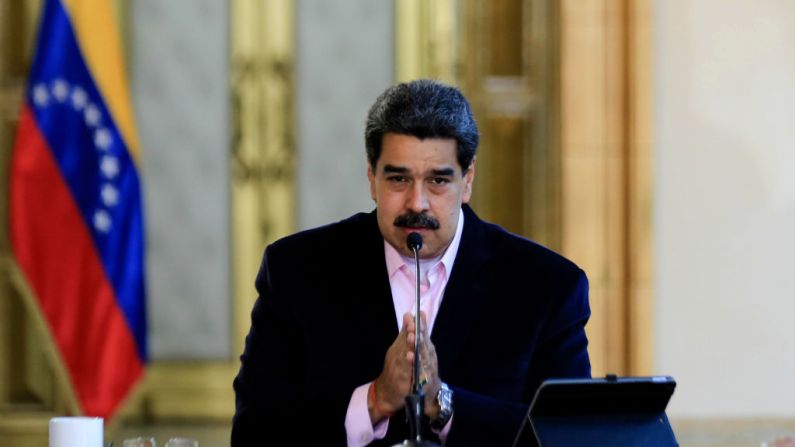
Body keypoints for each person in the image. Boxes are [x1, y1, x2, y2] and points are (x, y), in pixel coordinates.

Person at [231, 79, 591, 446]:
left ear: (467, 180)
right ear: (372, 177)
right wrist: (374, 401)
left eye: (437, 180)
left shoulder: (547, 286)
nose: (417, 203)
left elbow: (571, 438)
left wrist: (442, 404)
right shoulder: (297, 271)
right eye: (399, 179)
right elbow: (253, 433)